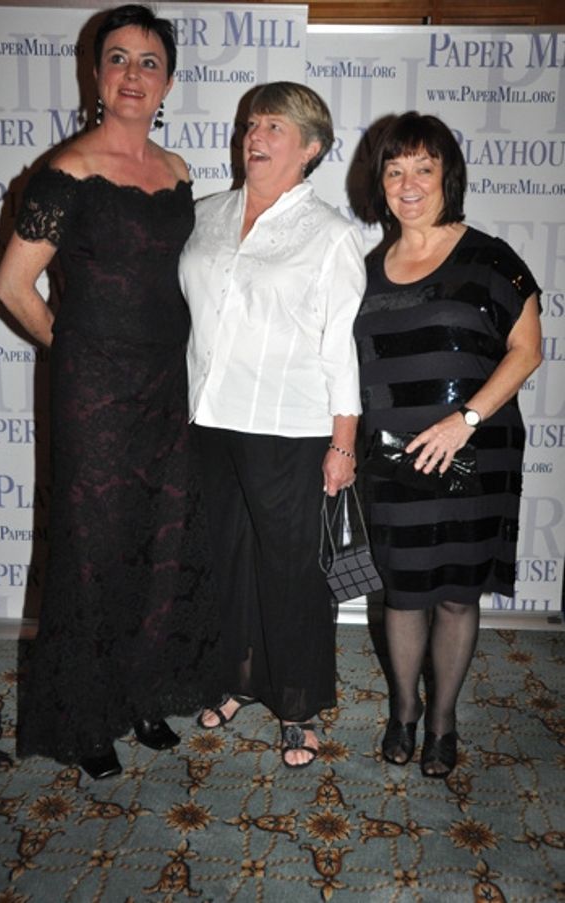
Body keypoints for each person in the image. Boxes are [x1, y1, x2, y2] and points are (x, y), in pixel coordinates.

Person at [0, 4, 220, 780]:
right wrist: (77, 348)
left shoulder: (180, 171)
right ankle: (86, 714)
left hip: (170, 383)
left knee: (163, 541)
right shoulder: (66, 170)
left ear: (168, 81)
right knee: (93, 552)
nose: (132, 74)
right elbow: (13, 283)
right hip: (93, 390)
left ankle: (142, 695)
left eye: (148, 62)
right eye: (117, 58)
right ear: (96, 73)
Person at [178, 82, 366, 768]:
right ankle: (238, 676)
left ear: (311, 148)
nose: (256, 135)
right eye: (253, 123)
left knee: (292, 571)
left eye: (276, 127)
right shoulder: (205, 215)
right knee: (225, 558)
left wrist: (343, 441)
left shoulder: (331, 234)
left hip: (290, 425)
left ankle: (299, 701)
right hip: (209, 419)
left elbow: (339, 343)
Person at [354, 111, 542, 778]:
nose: (408, 183)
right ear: (379, 182)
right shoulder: (364, 268)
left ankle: (443, 720)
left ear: (446, 177)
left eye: (422, 168)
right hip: (393, 461)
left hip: (474, 452)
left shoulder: (489, 256)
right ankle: (404, 710)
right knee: (403, 594)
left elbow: (528, 350)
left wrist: (465, 418)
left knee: (459, 594)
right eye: (394, 169)